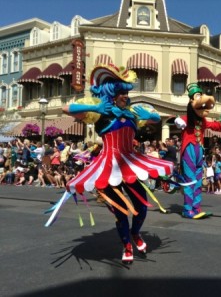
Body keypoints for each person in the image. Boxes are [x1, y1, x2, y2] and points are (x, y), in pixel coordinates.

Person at [45, 64, 174, 264]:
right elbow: (67, 108)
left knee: (141, 206)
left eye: (127, 93)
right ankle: (127, 245)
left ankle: (135, 233)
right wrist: (94, 107)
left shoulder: (132, 113)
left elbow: (156, 118)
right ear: (113, 94)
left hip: (130, 164)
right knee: (121, 210)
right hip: (109, 167)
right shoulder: (101, 112)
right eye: (122, 93)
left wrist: (150, 116)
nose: (126, 96)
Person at [174, 83, 221, 218]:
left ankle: (196, 208)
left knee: (198, 181)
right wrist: (178, 121)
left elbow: (214, 125)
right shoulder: (187, 119)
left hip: (199, 151)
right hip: (189, 150)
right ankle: (187, 209)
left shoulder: (203, 121)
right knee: (190, 180)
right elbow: (180, 121)